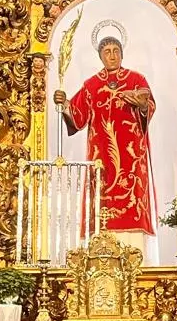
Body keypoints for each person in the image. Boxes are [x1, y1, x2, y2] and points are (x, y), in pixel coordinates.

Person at [53, 26, 156, 250]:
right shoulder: (91, 85)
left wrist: (141, 104)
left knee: (132, 196)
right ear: (100, 56)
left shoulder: (137, 79)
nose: (111, 55)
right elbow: (78, 118)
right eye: (107, 51)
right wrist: (64, 103)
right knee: (100, 200)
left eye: (115, 50)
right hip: (101, 159)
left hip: (131, 157)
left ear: (122, 53)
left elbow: (149, 107)